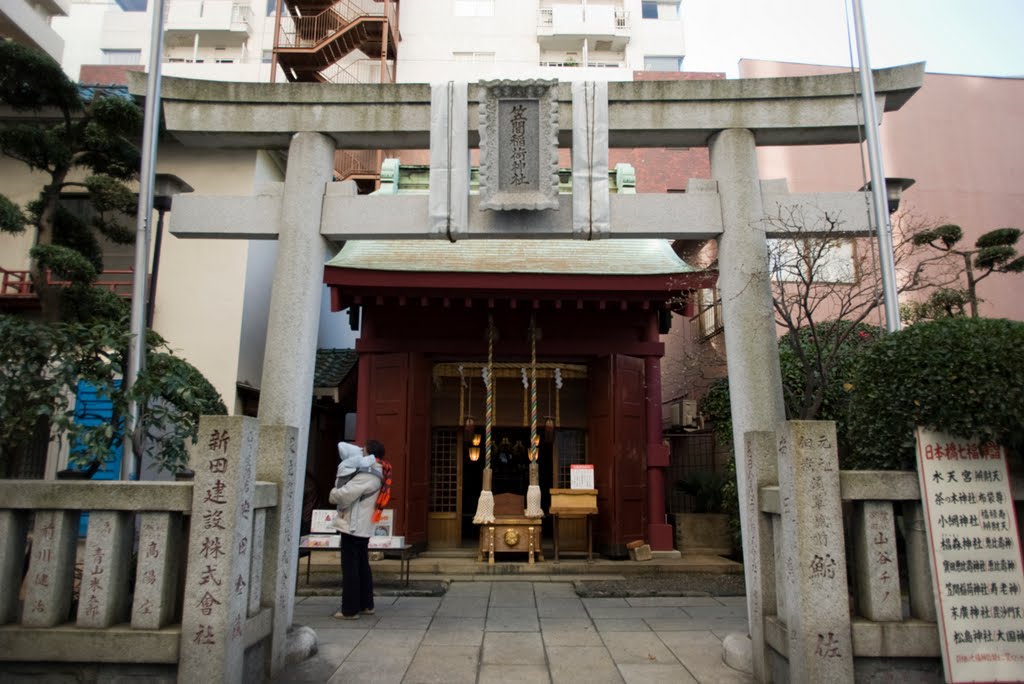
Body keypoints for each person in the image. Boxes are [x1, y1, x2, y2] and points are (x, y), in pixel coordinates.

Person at [329, 441, 383, 619]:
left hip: (354, 526)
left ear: (370, 455)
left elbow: (346, 494)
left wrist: (333, 494)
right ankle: (366, 604)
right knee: (361, 565)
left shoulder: (368, 474)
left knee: (351, 568)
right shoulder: (377, 472)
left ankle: (350, 609)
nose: (360, 453)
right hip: (362, 526)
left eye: (363, 451)